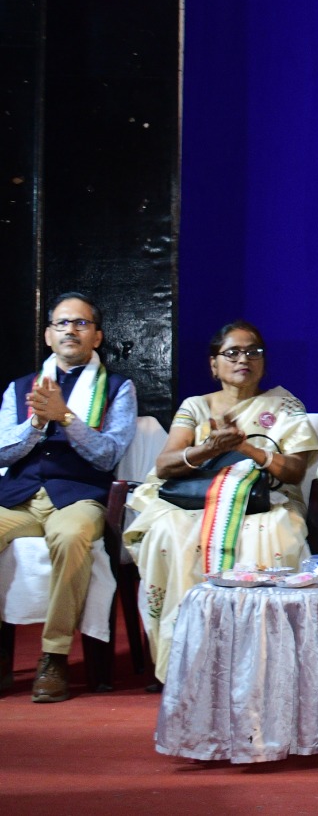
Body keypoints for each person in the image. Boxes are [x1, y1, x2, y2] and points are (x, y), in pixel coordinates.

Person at [124, 320, 318, 687]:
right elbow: (165, 465)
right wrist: (209, 448)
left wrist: (245, 448)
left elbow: (294, 472)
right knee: (168, 533)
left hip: (266, 503)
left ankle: (260, 663)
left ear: (264, 361)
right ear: (214, 364)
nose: (243, 359)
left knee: (272, 534)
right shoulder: (196, 407)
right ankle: (183, 660)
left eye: (253, 351)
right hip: (196, 502)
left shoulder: (285, 406)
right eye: (232, 353)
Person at [0, 292, 138, 702]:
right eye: (62, 323)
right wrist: (36, 425)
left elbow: (108, 454)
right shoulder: (20, 388)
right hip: (21, 497)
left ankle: (54, 656)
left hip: (79, 496)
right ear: (48, 335)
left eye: (81, 323)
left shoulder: (118, 388)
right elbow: (2, 452)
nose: (71, 330)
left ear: (97, 336)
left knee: (72, 536)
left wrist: (65, 417)